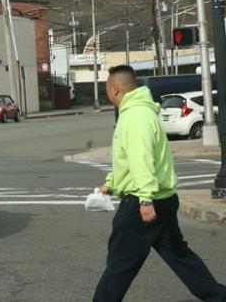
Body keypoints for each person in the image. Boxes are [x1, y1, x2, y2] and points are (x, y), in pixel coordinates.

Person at [93, 64, 226, 302]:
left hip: (143, 203)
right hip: (163, 198)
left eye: (106, 88)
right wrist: (111, 183)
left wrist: (145, 198)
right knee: (179, 255)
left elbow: (142, 159)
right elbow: (132, 160)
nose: (107, 93)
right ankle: (218, 296)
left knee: (120, 264)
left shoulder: (134, 116)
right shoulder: (141, 112)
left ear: (115, 88)